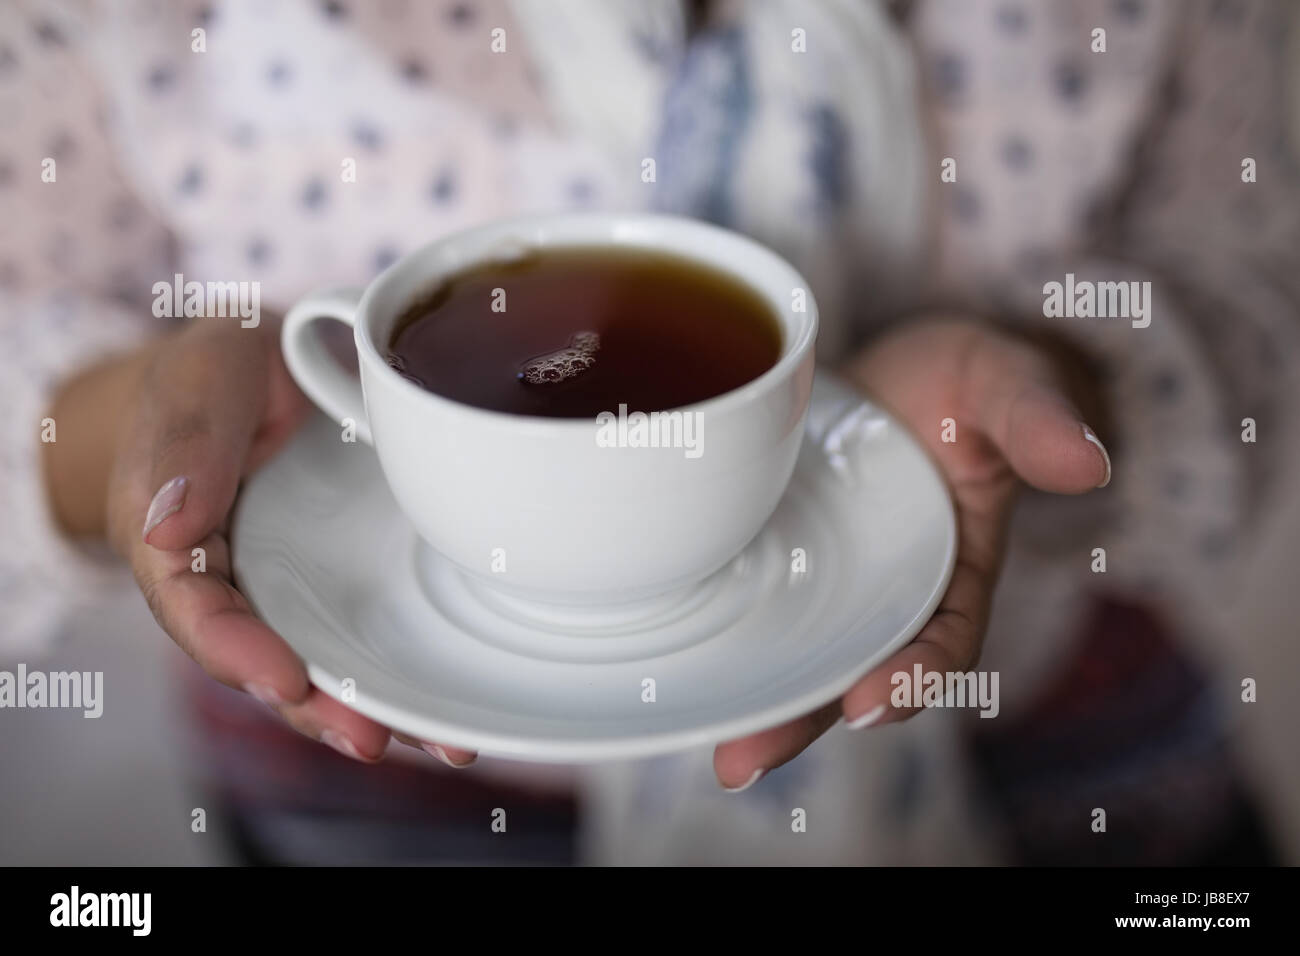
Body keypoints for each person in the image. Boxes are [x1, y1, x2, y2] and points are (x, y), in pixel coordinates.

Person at [6, 0, 1297, 864]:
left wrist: (1050, 384)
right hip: (376, 785)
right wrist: (146, 419)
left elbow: (1261, 302)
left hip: (1053, 731)